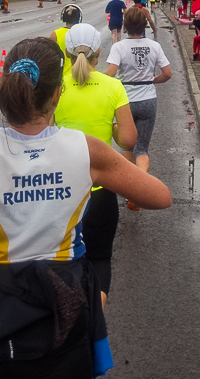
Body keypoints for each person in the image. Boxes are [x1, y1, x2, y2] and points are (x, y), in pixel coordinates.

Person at [0, 37, 171, 378]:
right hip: (63, 306)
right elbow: (161, 196)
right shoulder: (85, 149)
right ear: (57, 93)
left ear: (5, 85)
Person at [54, 23, 137, 307]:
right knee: (99, 258)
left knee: (60, 261)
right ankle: (94, 322)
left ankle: (65, 321)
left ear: (65, 53)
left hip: (59, 190)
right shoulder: (113, 86)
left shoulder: (56, 88)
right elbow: (128, 139)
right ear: (98, 53)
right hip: (99, 191)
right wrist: (111, 127)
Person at [105, 8, 171, 210]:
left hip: (125, 100)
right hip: (148, 99)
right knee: (141, 148)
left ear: (125, 26)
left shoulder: (119, 47)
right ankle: (141, 191)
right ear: (144, 26)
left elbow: (110, 73)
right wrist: (152, 80)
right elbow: (167, 73)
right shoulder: (154, 46)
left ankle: (129, 191)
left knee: (127, 147)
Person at [53, 4, 83, 76]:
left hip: (63, 75)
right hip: (81, 74)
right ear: (79, 18)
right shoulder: (83, 33)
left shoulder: (55, 34)